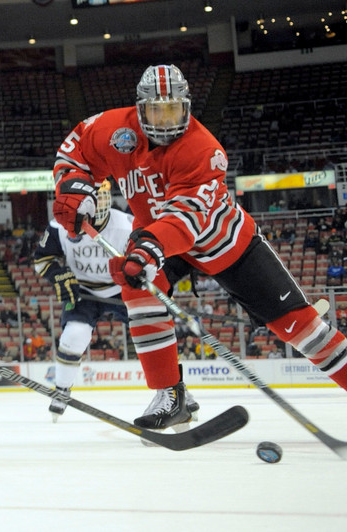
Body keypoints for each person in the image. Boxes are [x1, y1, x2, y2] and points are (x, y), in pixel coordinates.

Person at [52, 64, 347, 430]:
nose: (164, 120)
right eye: (156, 110)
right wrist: (72, 185)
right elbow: (76, 149)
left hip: (224, 243)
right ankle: (170, 395)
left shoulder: (204, 150)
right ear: (140, 107)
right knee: (137, 284)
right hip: (157, 237)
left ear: (187, 107)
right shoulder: (113, 129)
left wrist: (149, 248)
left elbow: (186, 219)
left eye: (173, 109)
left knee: (301, 328)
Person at [34, 180, 199, 422]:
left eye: (101, 196)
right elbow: (42, 259)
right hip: (84, 292)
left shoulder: (126, 224)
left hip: (121, 288)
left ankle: (174, 390)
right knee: (74, 336)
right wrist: (57, 274)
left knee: (152, 334)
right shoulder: (59, 227)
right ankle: (61, 390)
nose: (98, 203)